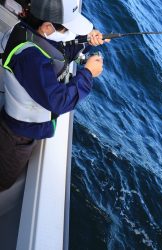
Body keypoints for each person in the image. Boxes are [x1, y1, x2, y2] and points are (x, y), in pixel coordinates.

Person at [0, 0, 108, 191]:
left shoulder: (34, 34)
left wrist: (88, 42)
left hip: (22, 129)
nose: (70, 33)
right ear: (47, 27)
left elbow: (62, 52)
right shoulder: (30, 57)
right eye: (67, 29)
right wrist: (88, 73)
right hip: (17, 137)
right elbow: (59, 101)